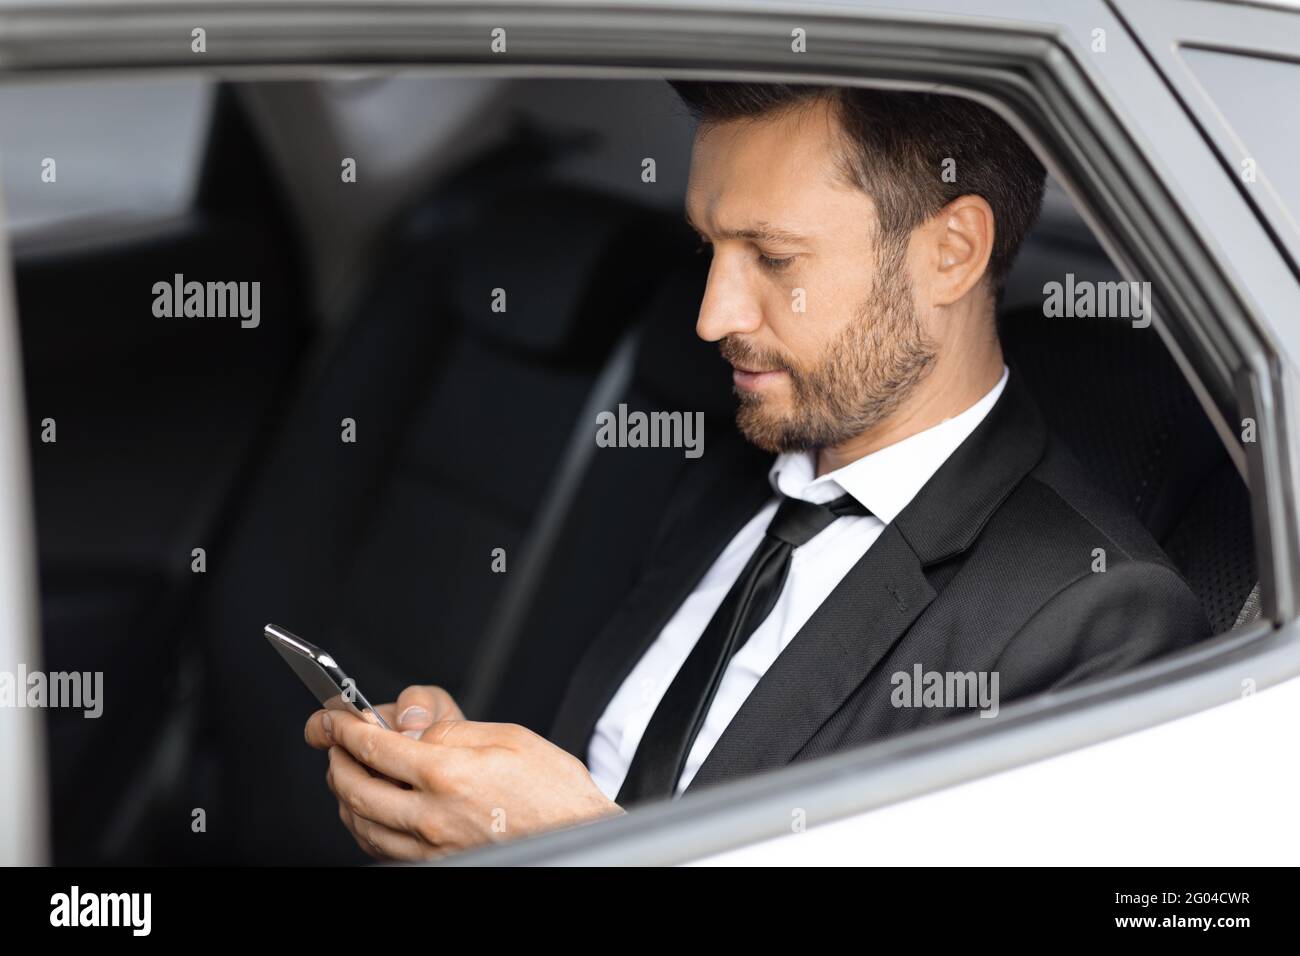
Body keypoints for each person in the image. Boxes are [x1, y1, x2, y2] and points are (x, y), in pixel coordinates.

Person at [304, 81, 1209, 860]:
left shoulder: (1095, 623)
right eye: (710, 251)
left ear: (951, 252)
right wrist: (465, 792)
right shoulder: (735, 469)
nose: (711, 316)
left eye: (773, 258)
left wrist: (577, 847)